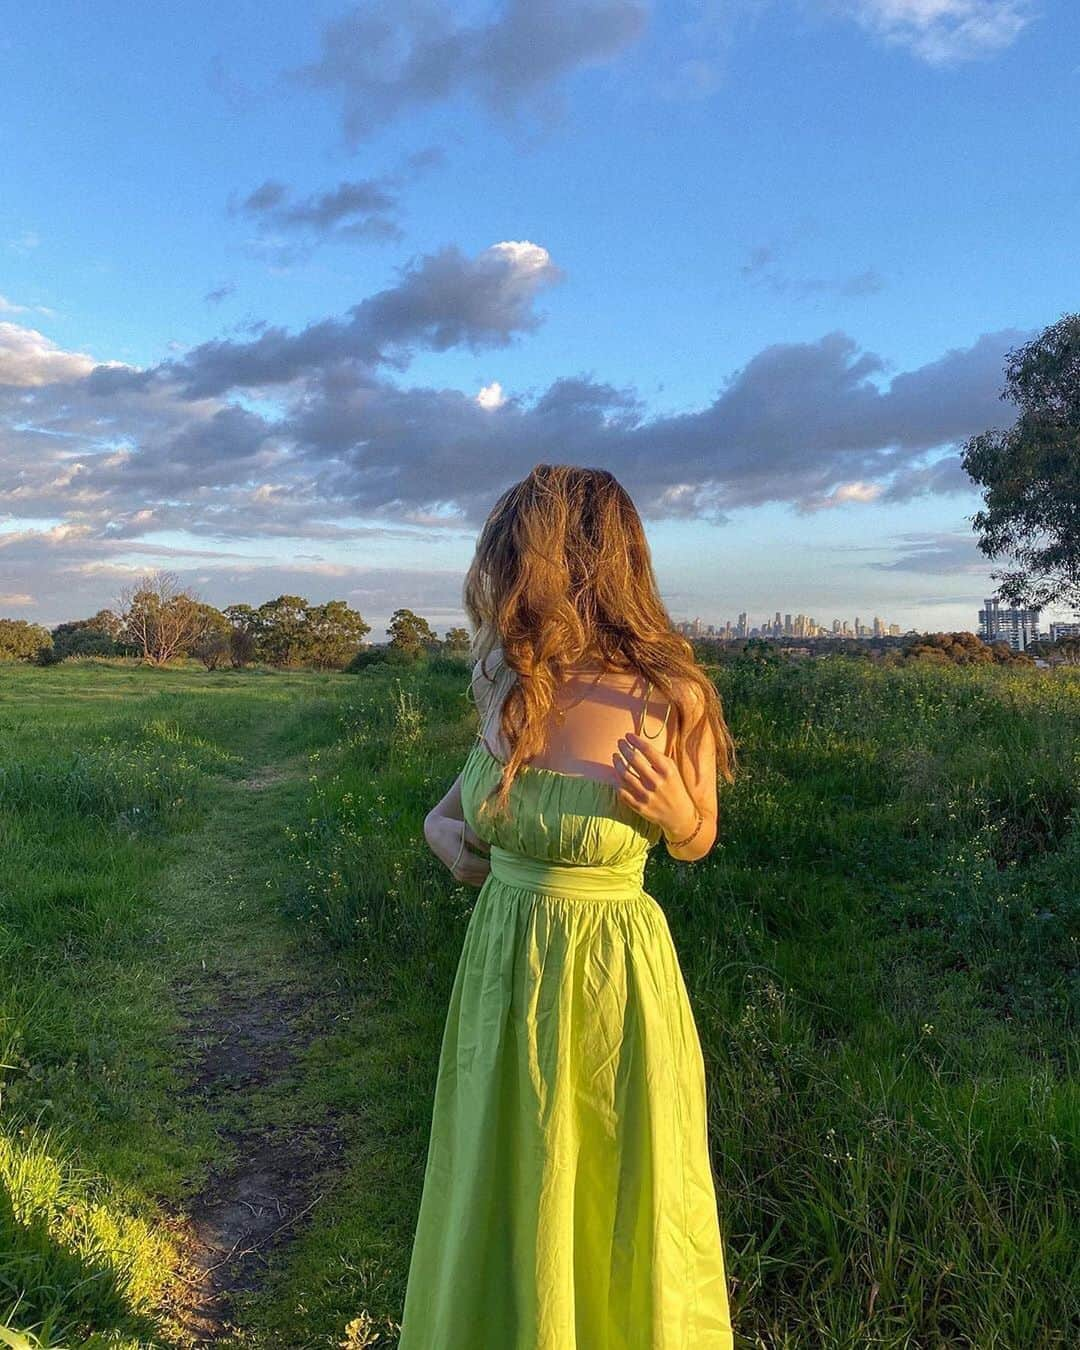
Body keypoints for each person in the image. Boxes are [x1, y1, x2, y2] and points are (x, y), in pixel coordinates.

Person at [398, 464, 737, 1349]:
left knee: (612, 1181)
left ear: (579, 564)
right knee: (504, 1178)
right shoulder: (507, 680)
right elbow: (455, 804)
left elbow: (699, 837)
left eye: (519, 558)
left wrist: (676, 816)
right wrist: (443, 838)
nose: (506, 580)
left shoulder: (672, 695)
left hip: (611, 980)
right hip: (503, 971)